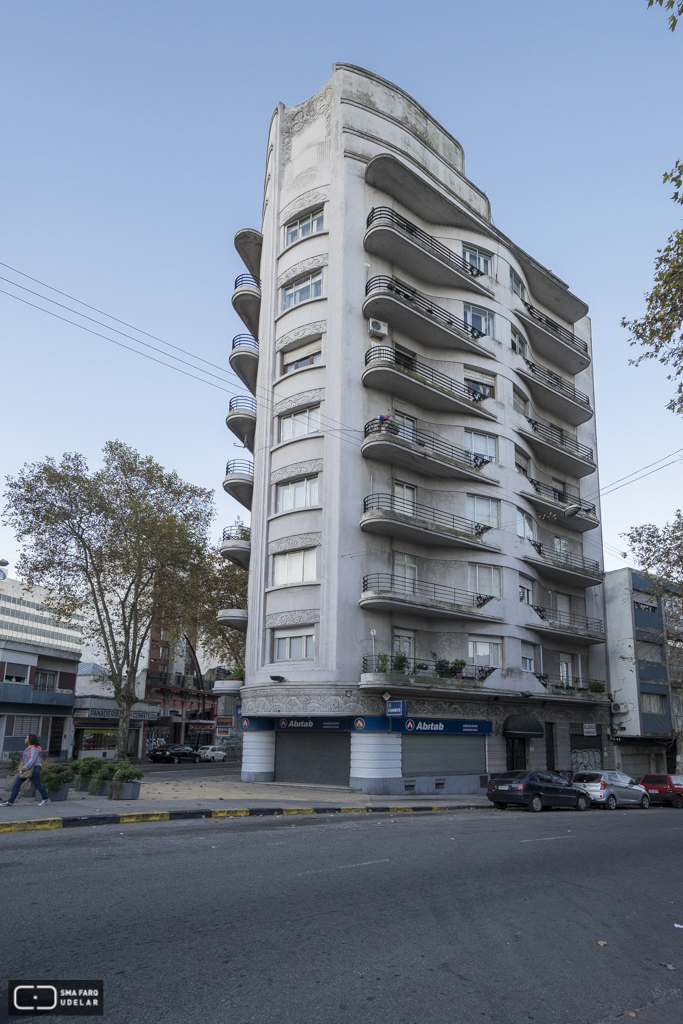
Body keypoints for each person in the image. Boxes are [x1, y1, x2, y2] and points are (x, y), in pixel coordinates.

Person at [0, 734, 50, 806]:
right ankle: (10, 801)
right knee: (17, 784)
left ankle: (45, 798)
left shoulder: (34, 748)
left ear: (30, 740)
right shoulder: (29, 747)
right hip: (29, 767)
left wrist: (25, 767)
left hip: (34, 767)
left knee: (37, 783)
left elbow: (32, 759)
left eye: (26, 738)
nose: (25, 739)